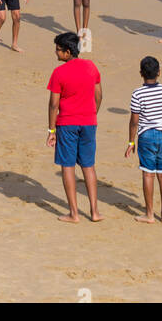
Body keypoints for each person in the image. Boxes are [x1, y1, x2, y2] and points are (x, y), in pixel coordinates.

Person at [46, 32, 103, 224]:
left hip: (67, 123)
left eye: (58, 50)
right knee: (88, 166)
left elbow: (53, 104)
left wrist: (51, 130)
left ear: (67, 52)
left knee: (68, 166)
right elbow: (99, 95)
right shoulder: (91, 66)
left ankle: (74, 213)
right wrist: (92, 114)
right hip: (89, 122)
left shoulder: (58, 73)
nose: (56, 53)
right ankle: (95, 212)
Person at [126, 56, 162, 223]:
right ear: (159, 72)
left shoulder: (137, 93)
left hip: (146, 135)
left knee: (148, 174)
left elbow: (134, 120)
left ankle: (149, 214)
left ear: (141, 73)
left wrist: (131, 142)